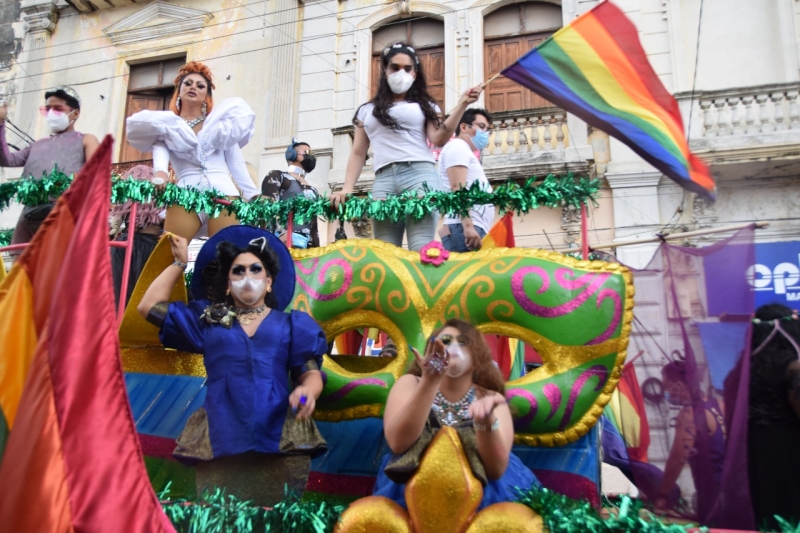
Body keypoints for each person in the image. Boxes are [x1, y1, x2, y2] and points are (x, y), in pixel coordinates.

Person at [136, 225, 328, 505]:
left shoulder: (292, 325)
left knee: (274, 520)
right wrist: (179, 263)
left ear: (269, 281)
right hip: (221, 439)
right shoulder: (209, 320)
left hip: (280, 441)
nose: (247, 276)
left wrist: (307, 393)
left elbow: (310, 373)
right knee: (219, 518)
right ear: (227, 284)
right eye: (238, 271)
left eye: (255, 269)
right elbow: (148, 306)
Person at [330, 42, 483, 251]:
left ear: (415, 73)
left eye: (407, 68)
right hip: (383, 179)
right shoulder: (366, 110)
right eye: (395, 67)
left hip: (420, 176)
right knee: (386, 251)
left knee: (421, 247)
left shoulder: (426, 106)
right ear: (385, 70)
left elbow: (439, 138)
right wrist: (347, 188)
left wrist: (463, 104)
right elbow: (358, 153)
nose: (401, 73)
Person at [373, 318, 539, 509]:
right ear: (431, 349)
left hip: (486, 493)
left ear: (477, 355)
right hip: (414, 484)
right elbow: (398, 442)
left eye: (463, 342)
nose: (453, 347)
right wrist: (430, 382)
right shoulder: (411, 383)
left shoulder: (491, 398)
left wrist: (485, 422)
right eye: (445, 341)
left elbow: (496, 469)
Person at [126, 61, 260, 241]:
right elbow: (160, 153)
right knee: (168, 250)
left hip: (225, 195)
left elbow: (236, 164)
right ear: (179, 91)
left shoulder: (221, 126)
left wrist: (253, 195)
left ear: (207, 96)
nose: (193, 87)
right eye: (188, 83)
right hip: (186, 196)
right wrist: (160, 173)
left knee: (225, 253)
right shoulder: (167, 126)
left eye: (200, 86)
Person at [0, 86, 99, 247]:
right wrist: (0, 123)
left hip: (65, 212)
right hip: (30, 213)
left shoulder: (86, 139)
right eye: (48, 109)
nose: (52, 113)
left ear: (75, 113)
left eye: (58, 108)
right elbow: (7, 160)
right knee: (21, 259)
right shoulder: (36, 145)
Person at [747, 304, 800, 530]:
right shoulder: (793, 365)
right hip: (787, 449)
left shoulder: (742, 369)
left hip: (753, 451)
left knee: (766, 513)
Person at [655, 361, 726, 512]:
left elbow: (677, 458)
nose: (666, 394)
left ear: (679, 385)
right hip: (733, 488)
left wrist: (662, 495)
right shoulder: (720, 404)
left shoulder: (689, 414)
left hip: (712, 494)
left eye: (667, 388)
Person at [438, 108, 494, 252]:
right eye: (481, 126)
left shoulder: (464, 150)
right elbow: (457, 188)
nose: (485, 133)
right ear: (463, 127)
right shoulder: (457, 147)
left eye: (487, 129)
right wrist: (468, 226)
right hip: (463, 228)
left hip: (471, 227)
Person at [109, 165, 164, 307]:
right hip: (152, 246)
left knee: (119, 297)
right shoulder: (162, 195)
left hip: (125, 244)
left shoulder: (126, 195)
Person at [261, 138, 320, 248]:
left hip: (306, 247)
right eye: (307, 152)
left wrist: (317, 251)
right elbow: (268, 209)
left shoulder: (313, 190)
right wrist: (281, 235)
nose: (311, 156)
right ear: (291, 155)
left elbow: (314, 227)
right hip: (283, 241)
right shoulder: (278, 176)